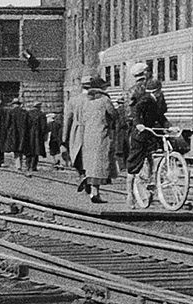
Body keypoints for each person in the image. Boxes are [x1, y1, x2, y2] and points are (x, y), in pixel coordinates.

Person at [66, 76, 118, 204]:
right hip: (101, 136)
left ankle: (91, 188)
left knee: (91, 165)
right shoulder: (105, 100)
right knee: (99, 165)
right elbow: (114, 115)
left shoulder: (87, 102)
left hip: (88, 136)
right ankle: (94, 192)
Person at [124, 78, 169, 206]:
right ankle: (129, 195)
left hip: (149, 134)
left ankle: (149, 185)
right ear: (157, 91)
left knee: (151, 159)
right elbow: (136, 111)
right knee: (133, 166)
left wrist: (168, 126)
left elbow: (160, 117)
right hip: (139, 135)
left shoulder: (155, 100)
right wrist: (138, 124)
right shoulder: (146, 99)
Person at [23, 97, 47, 172]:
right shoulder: (42, 114)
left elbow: (25, 124)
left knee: (28, 149)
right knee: (36, 150)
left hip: (29, 134)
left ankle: (27, 165)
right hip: (38, 135)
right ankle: (33, 166)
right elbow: (43, 127)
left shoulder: (28, 113)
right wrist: (43, 134)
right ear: (39, 107)